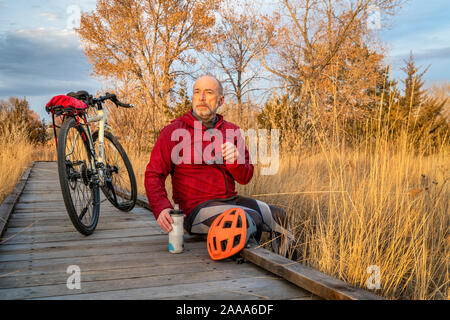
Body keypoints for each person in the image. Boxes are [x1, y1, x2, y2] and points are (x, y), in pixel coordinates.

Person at [144, 75, 294, 255]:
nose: (201, 98)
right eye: (197, 92)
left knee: (279, 216)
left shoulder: (232, 131)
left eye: (209, 92)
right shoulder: (174, 130)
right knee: (246, 218)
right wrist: (162, 207)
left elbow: (245, 177)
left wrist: (234, 161)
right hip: (196, 210)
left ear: (221, 100)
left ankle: (288, 269)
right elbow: (153, 174)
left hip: (231, 201)